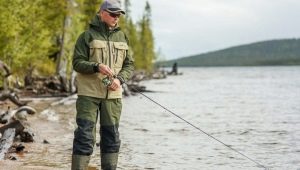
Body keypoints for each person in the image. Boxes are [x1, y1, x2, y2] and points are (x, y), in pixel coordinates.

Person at [71, 0, 134, 169]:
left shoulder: (123, 37)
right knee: (84, 136)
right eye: (113, 14)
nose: (116, 18)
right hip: (88, 94)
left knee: (111, 137)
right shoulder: (86, 36)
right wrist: (96, 66)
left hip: (113, 95)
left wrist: (119, 80)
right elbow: (77, 63)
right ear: (102, 13)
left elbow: (129, 65)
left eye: (119, 15)